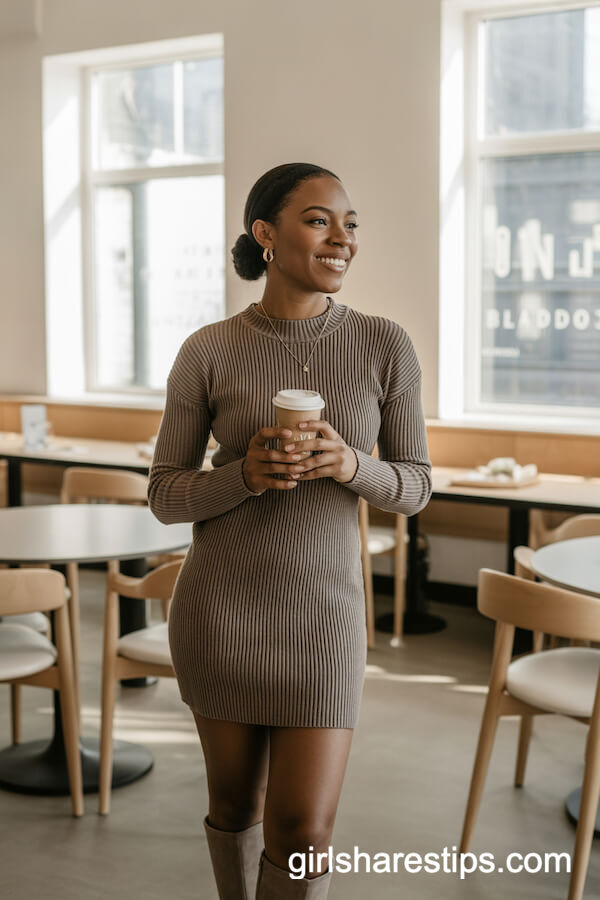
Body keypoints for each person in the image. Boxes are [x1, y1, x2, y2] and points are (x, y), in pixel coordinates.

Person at [148, 162, 432, 899]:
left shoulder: (384, 344)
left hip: (325, 620)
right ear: (265, 236)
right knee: (234, 808)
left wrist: (349, 465)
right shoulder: (207, 350)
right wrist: (243, 474)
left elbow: (416, 487)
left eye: (350, 224)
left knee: (304, 829)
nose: (342, 239)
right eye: (318, 220)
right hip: (221, 612)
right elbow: (165, 494)